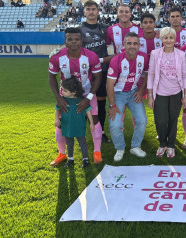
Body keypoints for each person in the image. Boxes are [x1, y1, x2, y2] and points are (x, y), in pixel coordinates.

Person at [48, 27, 102, 166]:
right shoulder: (57, 57)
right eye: (70, 39)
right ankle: (62, 154)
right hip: (66, 97)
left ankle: (97, 152)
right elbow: (52, 78)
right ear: (65, 41)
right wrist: (58, 98)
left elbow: (97, 77)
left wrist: (88, 98)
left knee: (94, 120)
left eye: (76, 39)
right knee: (61, 123)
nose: (73, 42)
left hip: (88, 93)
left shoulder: (91, 56)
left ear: (81, 40)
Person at [147, 27, 186, 158]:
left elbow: (184, 75)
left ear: (175, 39)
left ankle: (171, 145)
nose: (168, 40)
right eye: (166, 37)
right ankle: (162, 143)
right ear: (161, 39)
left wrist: (185, 95)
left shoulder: (181, 54)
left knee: (173, 119)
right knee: (161, 120)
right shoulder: (155, 54)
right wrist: (150, 95)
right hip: (160, 92)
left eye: (171, 37)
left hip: (176, 92)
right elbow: (151, 75)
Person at [107, 32, 149, 161]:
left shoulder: (144, 57)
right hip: (117, 94)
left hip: (133, 92)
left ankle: (135, 146)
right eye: (129, 43)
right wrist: (112, 105)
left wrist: (141, 90)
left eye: (135, 43)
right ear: (124, 45)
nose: (132, 46)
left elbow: (147, 74)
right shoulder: (116, 60)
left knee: (142, 120)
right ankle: (120, 148)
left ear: (139, 45)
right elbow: (109, 85)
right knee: (115, 124)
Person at [79, 0, 112, 148]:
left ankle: (101, 130)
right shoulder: (79, 30)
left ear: (98, 11)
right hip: (85, 73)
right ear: (84, 11)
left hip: (102, 71)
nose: (91, 11)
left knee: (100, 102)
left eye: (94, 9)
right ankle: (83, 131)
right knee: (83, 103)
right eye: (88, 9)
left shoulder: (106, 29)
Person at [55, 78, 95, 168]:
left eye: (65, 90)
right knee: (69, 143)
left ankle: (85, 160)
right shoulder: (63, 100)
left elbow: (88, 112)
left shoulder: (82, 101)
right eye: (62, 89)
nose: (62, 92)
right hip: (67, 126)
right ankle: (70, 159)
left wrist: (91, 123)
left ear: (74, 92)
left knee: (82, 143)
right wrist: (56, 119)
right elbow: (57, 109)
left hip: (79, 126)